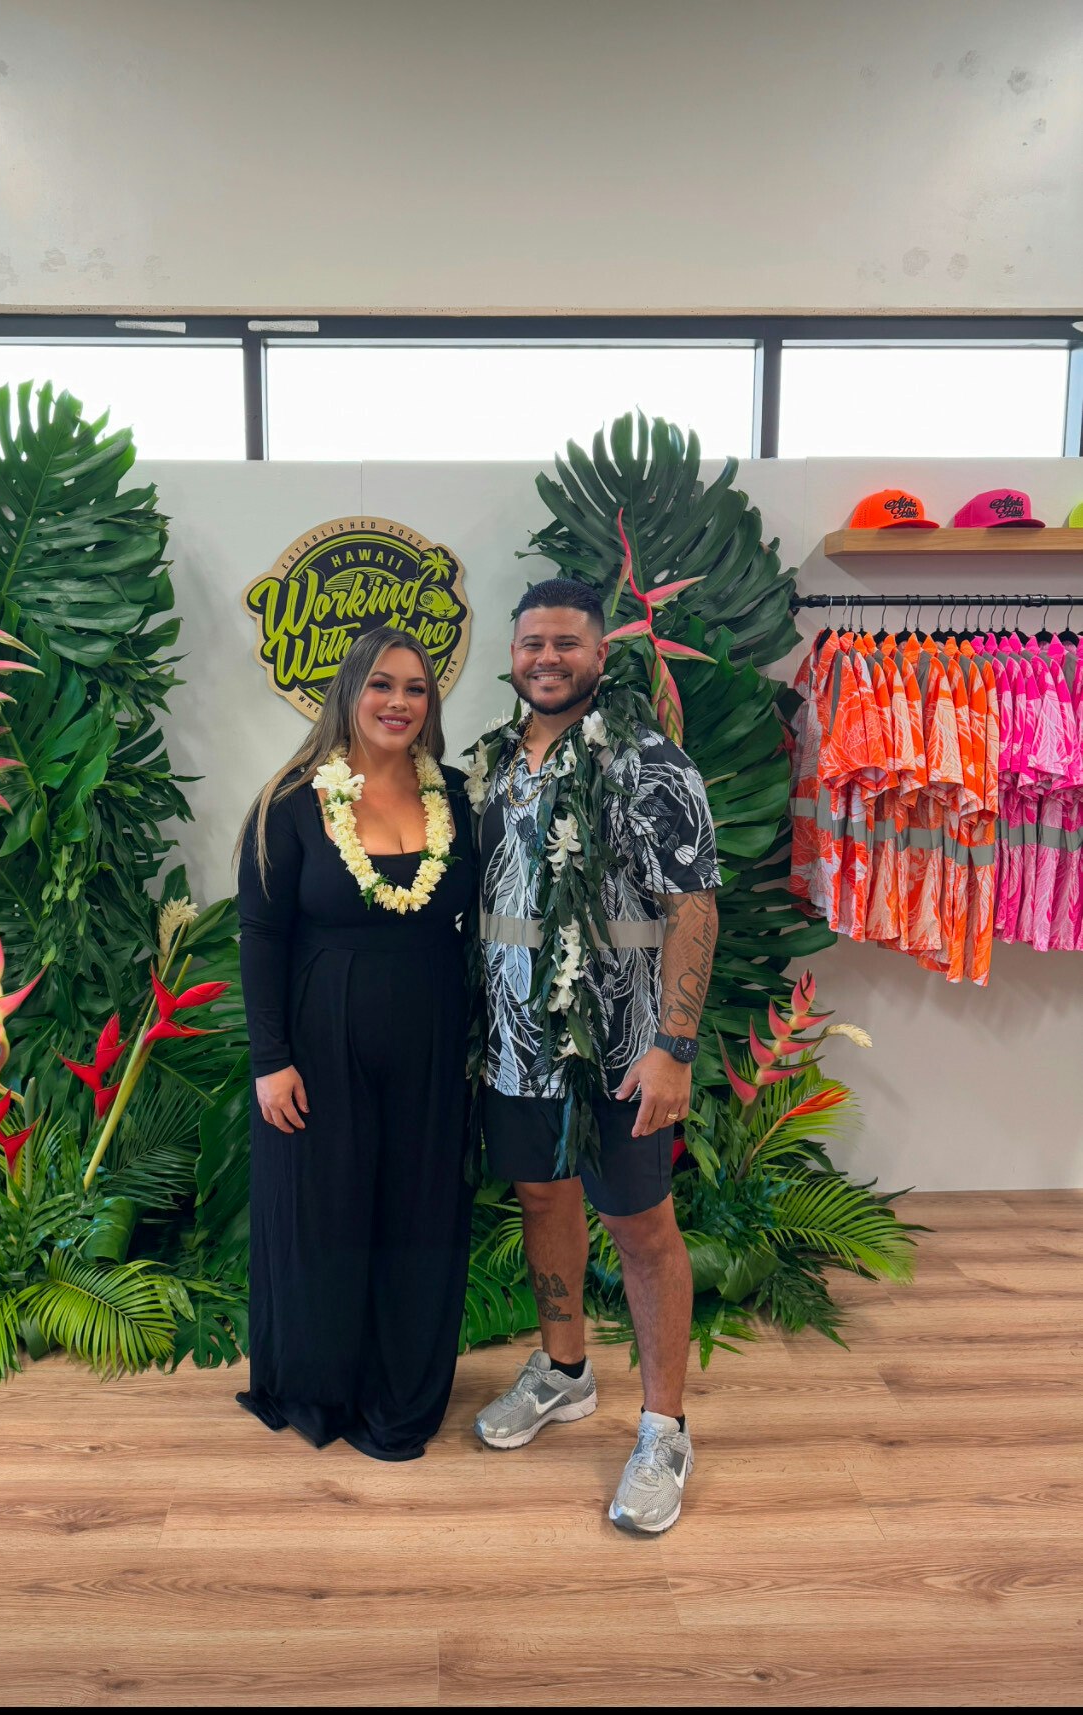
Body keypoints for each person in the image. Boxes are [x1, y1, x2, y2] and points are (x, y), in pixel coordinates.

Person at [472, 578, 719, 1533]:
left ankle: (664, 1427)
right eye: (532, 641)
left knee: (642, 1224)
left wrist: (673, 1046)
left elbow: (693, 904)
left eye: (566, 643)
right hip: (514, 1043)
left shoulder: (649, 763)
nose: (546, 657)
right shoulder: (496, 761)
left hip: (622, 1049)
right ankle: (566, 1369)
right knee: (544, 1197)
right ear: (512, 652)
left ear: (600, 654)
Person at [235, 626, 476, 1461]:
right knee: (323, 1211)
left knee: (418, 1210)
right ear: (348, 692)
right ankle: (319, 1383)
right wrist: (270, 1060)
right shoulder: (292, 802)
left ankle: (403, 1391)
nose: (399, 702)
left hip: (433, 1044)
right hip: (318, 1045)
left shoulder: (458, 798)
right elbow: (260, 936)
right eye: (382, 684)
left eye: (416, 688)